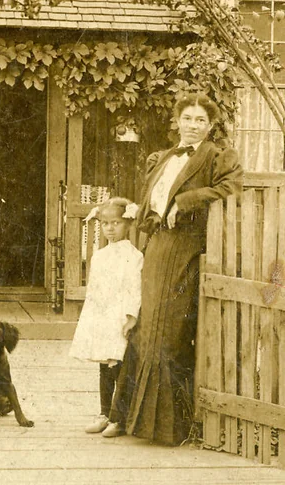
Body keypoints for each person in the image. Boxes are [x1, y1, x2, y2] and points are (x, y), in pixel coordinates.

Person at [122, 93, 243, 446]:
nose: (192, 125)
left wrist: (185, 201)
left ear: (210, 126)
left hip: (188, 245)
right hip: (158, 245)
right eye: (187, 118)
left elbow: (230, 189)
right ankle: (134, 421)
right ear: (177, 121)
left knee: (170, 329)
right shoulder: (163, 158)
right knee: (147, 327)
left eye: (200, 120)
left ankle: (171, 428)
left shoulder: (218, 157)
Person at [69, 197, 143, 438]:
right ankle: (104, 413)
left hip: (120, 316)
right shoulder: (99, 256)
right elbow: (94, 288)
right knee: (104, 365)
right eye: (106, 223)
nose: (111, 228)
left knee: (119, 366)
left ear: (128, 224)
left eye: (117, 223)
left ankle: (119, 417)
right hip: (102, 315)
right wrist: (92, 317)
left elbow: (134, 287)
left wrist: (131, 317)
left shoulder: (134, 255)